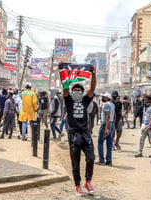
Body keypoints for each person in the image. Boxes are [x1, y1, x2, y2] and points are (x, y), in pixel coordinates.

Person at [63, 65, 96, 196]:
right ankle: (77, 185)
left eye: (79, 89)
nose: (77, 91)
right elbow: (65, 90)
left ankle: (88, 181)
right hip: (73, 135)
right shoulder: (68, 100)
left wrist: (93, 74)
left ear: (81, 92)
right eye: (75, 89)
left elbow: (92, 89)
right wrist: (63, 75)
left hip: (85, 134)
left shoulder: (85, 101)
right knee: (75, 163)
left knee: (91, 158)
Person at [135, 95, 151, 164]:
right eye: (144, 99)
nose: (145, 101)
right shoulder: (144, 107)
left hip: (150, 126)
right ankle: (140, 152)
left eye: (146, 99)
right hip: (144, 125)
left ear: (150, 100)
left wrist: (150, 125)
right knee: (141, 139)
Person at [96, 92, 115, 166]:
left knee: (100, 142)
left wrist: (106, 128)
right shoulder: (112, 104)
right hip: (111, 123)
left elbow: (107, 116)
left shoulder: (106, 104)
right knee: (109, 143)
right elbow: (114, 115)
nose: (102, 98)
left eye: (104, 97)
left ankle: (101, 160)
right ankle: (109, 160)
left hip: (106, 124)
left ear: (107, 98)